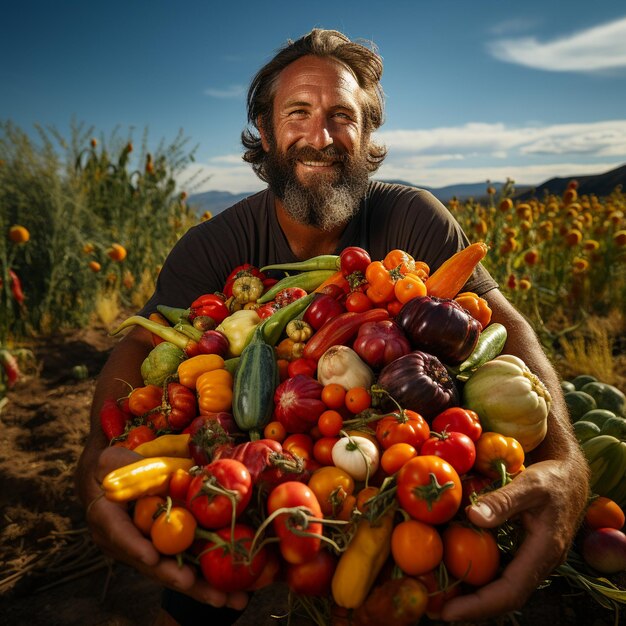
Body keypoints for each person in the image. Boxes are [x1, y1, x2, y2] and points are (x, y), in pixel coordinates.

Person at [76, 28, 590, 626]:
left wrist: (567, 465)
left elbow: (507, 325)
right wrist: (95, 459)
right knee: (202, 567)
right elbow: (140, 341)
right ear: (266, 134)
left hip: (395, 459)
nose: (320, 137)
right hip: (266, 461)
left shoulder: (413, 216)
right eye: (298, 113)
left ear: (367, 134)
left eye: (341, 116)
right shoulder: (213, 246)